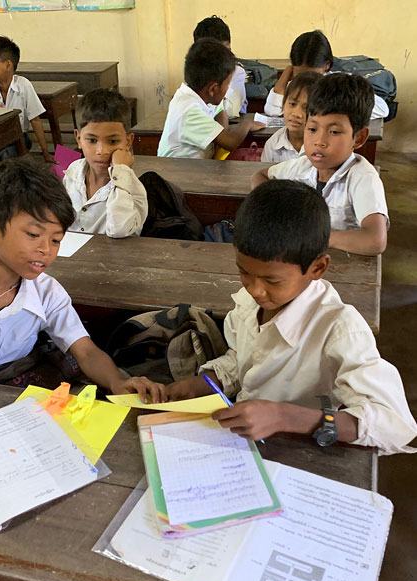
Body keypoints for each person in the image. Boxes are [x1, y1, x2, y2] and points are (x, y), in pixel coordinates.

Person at [166, 180, 416, 455]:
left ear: (318, 267)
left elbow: (396, 425)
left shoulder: (339, 328)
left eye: (272, 281)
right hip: (242, 443)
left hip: (300, 453)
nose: (255, 290)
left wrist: (285, 417)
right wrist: (202, 385)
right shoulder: (249, 304)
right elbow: (242, 363)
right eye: (244, 272)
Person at [0, 158, 165, 402]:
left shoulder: (48, 292)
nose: (46, 249)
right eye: (33, 234)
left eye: (56, 240)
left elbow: (85, 351)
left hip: (3, 395)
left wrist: (117, 382)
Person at [252, 73, 388, 256]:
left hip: (344, 272)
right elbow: (260, 176)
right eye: (312, 129)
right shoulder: (302, 166)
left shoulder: (362, 177)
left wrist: (314, 237)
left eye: (334, 131)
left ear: (359, 137)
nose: (319, 141)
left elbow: (375, 240)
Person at [157, 39, 264, 159]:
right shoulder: (189, 110)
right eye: (227, 84)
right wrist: (247, 125)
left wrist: (220, 133)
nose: (228, 89)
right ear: (213, 89)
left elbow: (220, 112)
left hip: (197, 167)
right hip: (176, 174)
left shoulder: (199, 93)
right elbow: (231, 143)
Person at [63, 88, 147, 237]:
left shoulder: (132, 188)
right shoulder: (73, 172)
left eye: (113, 141)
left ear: (128, 142)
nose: (102, 150)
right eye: (92, 140)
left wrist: (120, 170)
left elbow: (119, 230)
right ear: (78, 139)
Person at [264, 29, 389, 120]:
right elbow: (272, 112)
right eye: (300, 74)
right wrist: (286, 74)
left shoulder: (340, 84)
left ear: (327, 65)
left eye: (312, 74)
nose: (307, 80)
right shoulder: (294, 85)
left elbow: (382, 109)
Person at [193, 15, 247, 117]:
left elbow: (230, 111)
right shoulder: (195, 72)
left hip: (232, 126)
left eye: (227, 51)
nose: (224, 58)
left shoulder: (236, 72)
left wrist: (203, 106)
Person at [261, 71, 321, 163]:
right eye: (292, 104)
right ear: (284, 102)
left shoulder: (324, 145)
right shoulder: (273, 144)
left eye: (306, 108)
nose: (296, 114)